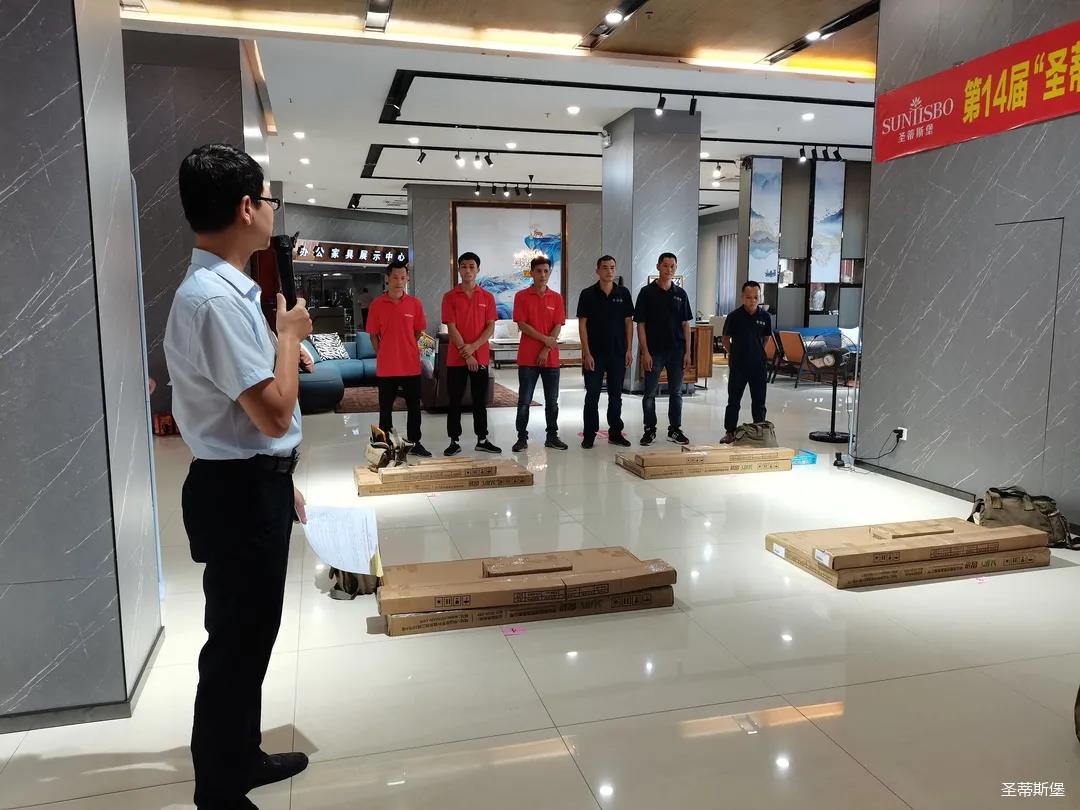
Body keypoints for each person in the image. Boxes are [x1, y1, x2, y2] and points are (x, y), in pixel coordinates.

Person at [163, 143, 310, 810]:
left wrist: (281, 479)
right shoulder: (215, 302)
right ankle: (219, 791)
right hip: (239, 492)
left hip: (253, 483)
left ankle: (241, 755)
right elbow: (273, 414)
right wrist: (290, 337)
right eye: (269, 199)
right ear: (247, 207)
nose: (273, 211)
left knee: (252, 634)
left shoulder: (225, 292)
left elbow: (251, 421)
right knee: (235, 643)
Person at [365, 258, 431, 456]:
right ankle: (385, 445)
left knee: (414, 407)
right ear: (387, 278)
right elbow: (373, 335)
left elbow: (418, 332)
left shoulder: (415, 304)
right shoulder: (377, 304)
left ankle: (415, 442)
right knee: (385, 408)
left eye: (403, 277)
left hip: (410, 364)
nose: (399, 281)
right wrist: (382, 353)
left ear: (407, 278)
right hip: (387, 367)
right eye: (395, 277)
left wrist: (406, 346)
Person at [442, 251, 501, 455]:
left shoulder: (487, 297)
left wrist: (473, 348)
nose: (468, 270)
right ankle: (453, 440)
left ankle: (482, 439)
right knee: (454, 400)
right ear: (458, 269)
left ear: (478, 269)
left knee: (479, 400)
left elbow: (490, 327)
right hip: (456, 359)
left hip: (480, 357)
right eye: (464, 266)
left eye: (471, 267)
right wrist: (467, 355)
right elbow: (451, 327)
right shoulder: (449, 297)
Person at [634, 252, 693, 446]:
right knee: (650, 393)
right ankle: (649, 429)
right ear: (658, 266)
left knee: (676, 393)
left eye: (672, 266)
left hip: (676, 351)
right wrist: (645, 352)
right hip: (654, 351)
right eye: (665, 265)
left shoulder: (680, 294)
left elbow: (686, 324)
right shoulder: (646, 293)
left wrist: (688, 352)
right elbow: (640, 324)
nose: (669, 269)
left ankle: (675, 429)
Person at [576, 255, 633, 448]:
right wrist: (586, 353)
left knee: (616, 395)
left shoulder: (623, 293)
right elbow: (582, 325)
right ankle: (589, 435)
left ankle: (615, 433)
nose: (609, 271)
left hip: (618, 352)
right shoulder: (587, 294)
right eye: (605, 267)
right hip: (595, 354)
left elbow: (628, 322)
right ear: (597, 271)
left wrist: (629, 349)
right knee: (592, 395)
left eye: (612, 267)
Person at [512, 256, 567, 452]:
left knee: (552, 402)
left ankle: (552, 436)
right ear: (532, 273)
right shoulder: (521, 296)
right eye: (538, 271)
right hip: (528, 358)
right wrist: (545, 340)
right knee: (524, 401)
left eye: (546, 271)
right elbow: (522, 324)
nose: (543, 275)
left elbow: (557, 325)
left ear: (549, 273)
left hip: (550, 358)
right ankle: (521, 438)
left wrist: (546, 348)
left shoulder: (556, 298)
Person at [720, 280, 773, 444]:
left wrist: (757, 351)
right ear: (742, 297)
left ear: (760, 297)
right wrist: (734, 353)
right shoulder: (734, 317)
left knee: (759, 401)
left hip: (758, 366)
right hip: (738, 366)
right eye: (749, 297)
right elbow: (725, 339)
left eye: (756, 297)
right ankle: (730, 432)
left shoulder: (765, 317)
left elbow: (766, 338)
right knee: (733, 401)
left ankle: (759, 431)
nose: (752, 301)